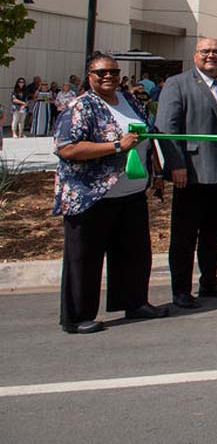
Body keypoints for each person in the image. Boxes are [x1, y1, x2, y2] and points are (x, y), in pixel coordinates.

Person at [53, 54, 168, 334]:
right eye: (101, 72)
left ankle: (134, 302)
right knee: (85, 258)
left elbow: (146, 136)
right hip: (92, 196)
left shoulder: (129, 101)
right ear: (89, 76)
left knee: (134, 253)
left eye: (114, 72)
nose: (108, 77)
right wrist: (116, 146)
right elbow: (67, 147)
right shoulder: (81, 106)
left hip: (131, 193)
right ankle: (77, 317)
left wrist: (157, 172)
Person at [157, 37, 217, 308]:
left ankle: (209, 281)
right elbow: (166, 128)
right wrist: (176, 164)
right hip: (192, 172)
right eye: (205, 51)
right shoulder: (178, 84)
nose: (211, 55)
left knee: (214, 232)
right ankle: (181, 290)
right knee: (185, 235)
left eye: (216, 51)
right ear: (195, 55)